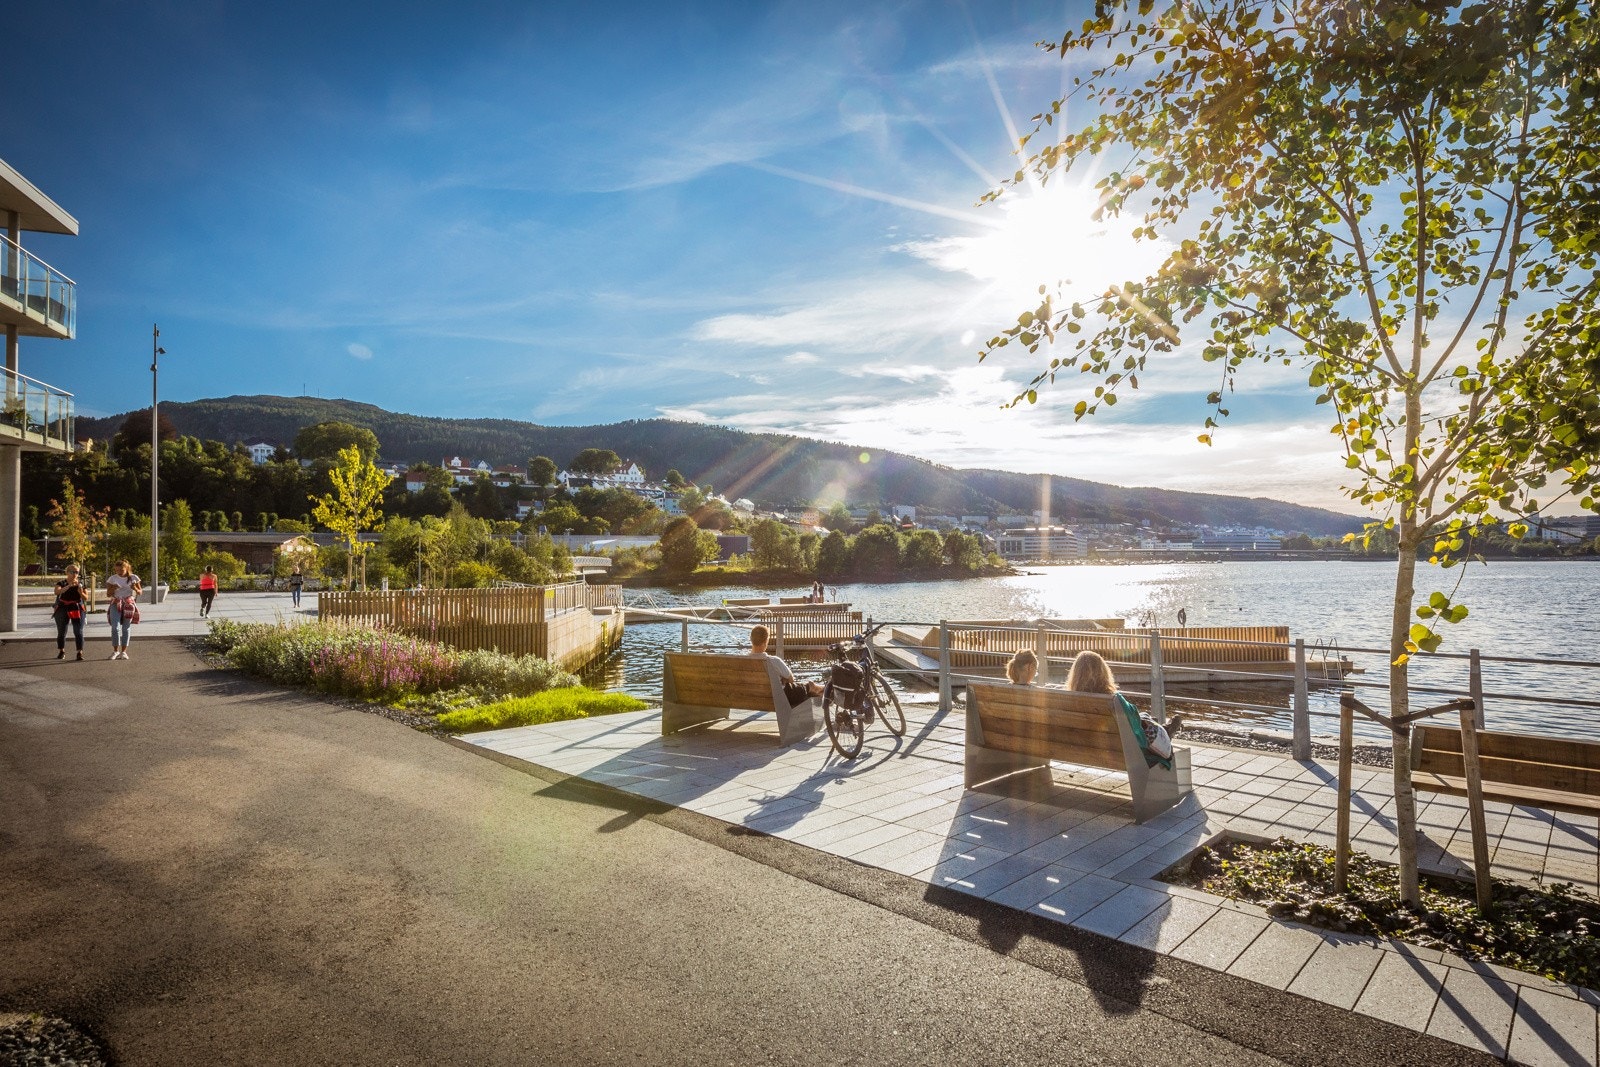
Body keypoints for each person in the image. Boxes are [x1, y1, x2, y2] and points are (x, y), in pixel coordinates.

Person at [1065, 650, 1181, 766]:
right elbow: (1134, 726)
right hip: (1122, 753)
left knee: (1144, 718)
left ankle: (1164, 729)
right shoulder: (1114, 700)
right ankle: (1166, 731)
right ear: (1104, 672)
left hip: (1083, 750)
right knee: (1142, 721)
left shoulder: (1066, 699)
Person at [748, 623, 824, 707]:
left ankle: (822, 690)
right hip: (780, 698)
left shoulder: (742, 661)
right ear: (766, 641)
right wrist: (783, 679)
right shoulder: (773, 661)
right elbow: (791, 679)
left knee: (806, 687)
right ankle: (825, 690)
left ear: (751, 639)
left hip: (754, 697)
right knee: (809, 686)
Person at [104, 559, 143, 661]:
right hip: (116, 603)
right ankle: (115, 651)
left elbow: (140, 592)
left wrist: (135, 588)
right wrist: (113, 588)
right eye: (117, 570)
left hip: (128, 604)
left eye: (121, 570)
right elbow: (108, 594)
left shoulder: (133, 577)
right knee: (115, 627)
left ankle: (124, 652)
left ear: (127, 568)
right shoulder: (112, 579)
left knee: (126, 628)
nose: (119, 572)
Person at [52, 564, 87, 661]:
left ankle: (79, 652)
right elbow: (57, 592)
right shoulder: (61, 583)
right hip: (63, 607)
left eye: (76, 572)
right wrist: (68, 586)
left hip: (77, 607)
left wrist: (80, 591)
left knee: (78, 631)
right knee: (62, 631)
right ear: (67, 572)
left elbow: (86, 598)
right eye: (72, 572)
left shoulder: (81, 584)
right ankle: (61, 650)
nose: (75, 574)